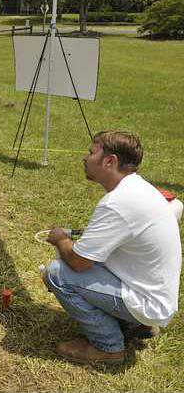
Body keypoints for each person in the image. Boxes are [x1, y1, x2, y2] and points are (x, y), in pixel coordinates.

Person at [43, 131, 181, 364]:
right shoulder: (138, 188)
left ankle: (108, 347)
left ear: (110, 161)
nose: (85, 158)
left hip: (148, 302)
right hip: (154, 294)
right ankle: (135, 324)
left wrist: (60, 239)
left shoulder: (117, 203)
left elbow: (78, 262)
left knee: (57, 274)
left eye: (91, 152)